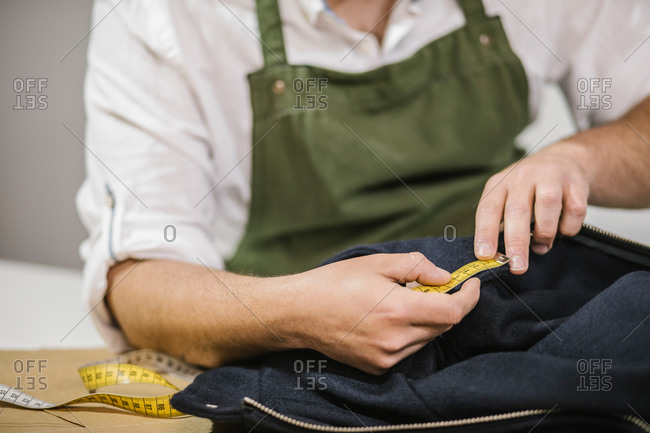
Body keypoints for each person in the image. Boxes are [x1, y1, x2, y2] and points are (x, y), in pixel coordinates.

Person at [77, 0, 650, 375]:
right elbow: (137, 286)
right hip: (292, 360)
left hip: (499, 330)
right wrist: (294, 312)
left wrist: (578, 157)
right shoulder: (164, 15)